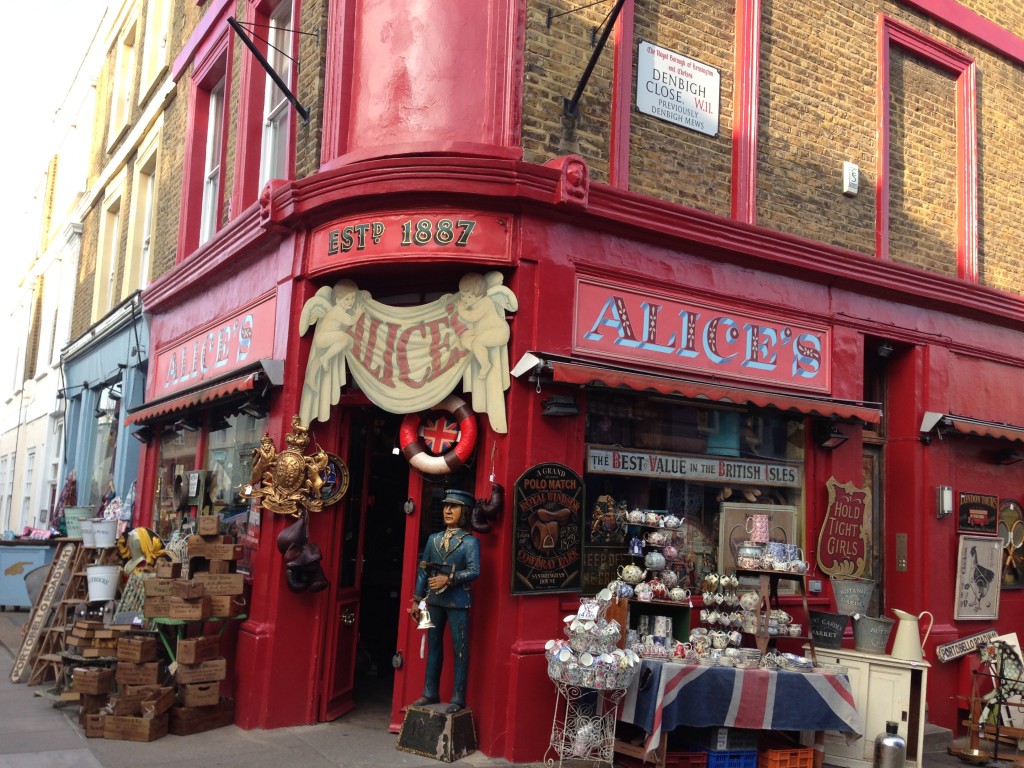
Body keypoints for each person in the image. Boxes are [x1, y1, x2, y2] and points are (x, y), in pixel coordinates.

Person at [409, 489, 480, 714]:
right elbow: (423, 571)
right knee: (433, 645)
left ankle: (458, 696)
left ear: (465, 512)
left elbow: (474, 570)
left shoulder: (470, 542)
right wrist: (416, 600)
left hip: (458, 602)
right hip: (433, 601)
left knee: (460, 649)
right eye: (446, 506)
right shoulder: (433, 539)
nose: (448, 511)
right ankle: (430, 692)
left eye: (454, 507)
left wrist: (449, 579)